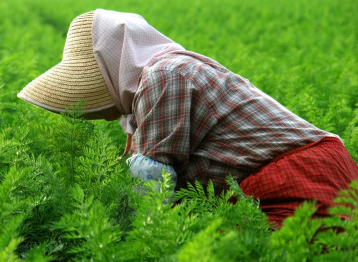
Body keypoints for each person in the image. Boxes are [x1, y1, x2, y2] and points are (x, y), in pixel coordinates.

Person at [18, 9, 358, 228]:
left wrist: (134, 245)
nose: (92, 112)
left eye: (90, 85)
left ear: (110, 69)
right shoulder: (167, 72)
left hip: (297, 181)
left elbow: (152, 183)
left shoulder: (164, 77)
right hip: (311, 171)